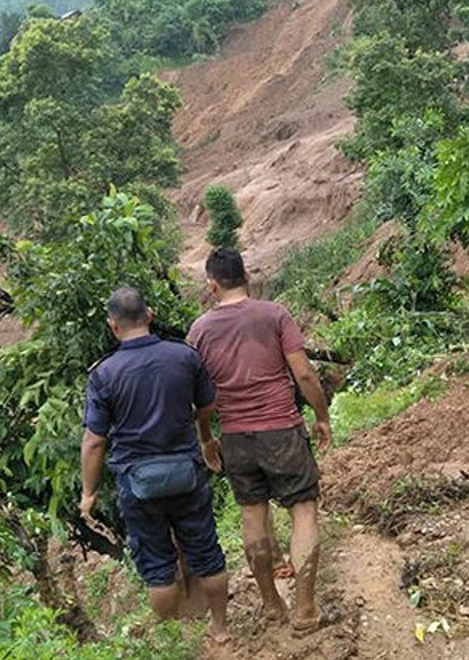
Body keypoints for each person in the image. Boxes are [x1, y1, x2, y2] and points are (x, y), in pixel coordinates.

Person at [187, 247, 333, 637]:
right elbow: (303, 374)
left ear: (212, 284)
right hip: (282, 431)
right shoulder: (274, 315)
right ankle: (305, 609)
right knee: (302, 512)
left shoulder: (199, 331)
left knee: (252, 517)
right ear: (246, 277)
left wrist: (207, 440)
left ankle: (272, 605)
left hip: (235, 437)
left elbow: (200, 401)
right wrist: (321, 416)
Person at [79, 287, 230, 643]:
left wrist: (88, 493)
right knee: (207, 554)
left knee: (159, 569)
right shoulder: (183, 357)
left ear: (112, 326)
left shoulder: (103, 374)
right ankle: (221, 630)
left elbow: (94, 440)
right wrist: (190, 421)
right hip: (187, 474)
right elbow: (209, 405)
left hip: (137, 484)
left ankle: (175, 641)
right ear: (149, 315)